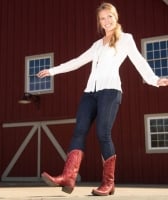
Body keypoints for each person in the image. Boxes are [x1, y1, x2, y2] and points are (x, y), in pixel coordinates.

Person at [37, 2, 168, 196]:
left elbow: (139, 60)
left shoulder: (125, 39)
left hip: (111, 91)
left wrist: (154, 80)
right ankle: (68, 177)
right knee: (79, 130)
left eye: (109, 17)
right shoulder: (97, 45)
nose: (106, 21)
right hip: (90, 92)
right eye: (102, 18)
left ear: (116, 18)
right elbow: (77, 61)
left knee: (103, 134)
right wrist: (52, 70)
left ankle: (108, 182)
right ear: (99, 22)